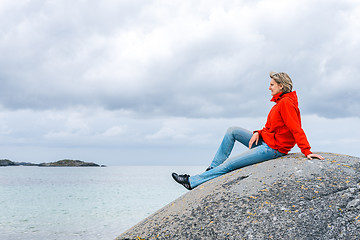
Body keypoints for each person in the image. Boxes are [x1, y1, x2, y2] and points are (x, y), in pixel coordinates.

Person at [172, 72, 324, 190]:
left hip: (273, 149)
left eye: (272, 84)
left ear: (281, 86)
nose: (269, 87)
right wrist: (258, 132)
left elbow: (296, 128)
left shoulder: (286, 104)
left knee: (231, 164)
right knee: (232, 131)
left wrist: (307, 150)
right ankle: (212, 169)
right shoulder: (278, 104)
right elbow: (271, 128)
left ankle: (191, 182)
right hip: (266, 141)